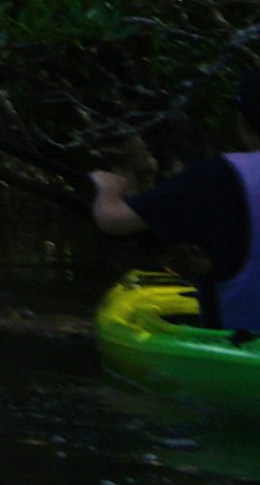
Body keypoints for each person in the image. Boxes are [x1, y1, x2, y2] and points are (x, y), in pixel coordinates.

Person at [92, 78, 260, 330]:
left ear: (242, 121)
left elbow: (112, 219)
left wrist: (108, 189)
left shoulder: (219, 175)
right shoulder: (219, 176)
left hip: (237, 354)